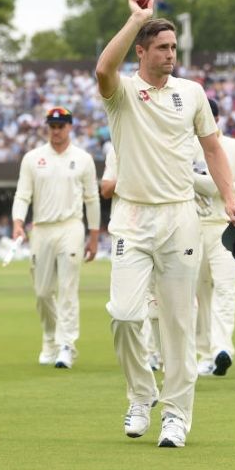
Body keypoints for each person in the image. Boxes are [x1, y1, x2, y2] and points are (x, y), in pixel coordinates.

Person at [95, 0, 235, 448]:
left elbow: (214, 148)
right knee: (123, 315)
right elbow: (103, 69)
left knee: (179, 323)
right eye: (161, 47)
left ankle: (177, 415)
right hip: (132, 216)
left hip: (180, 217)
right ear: (141, 51)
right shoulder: (121, 93)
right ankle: (141, 395)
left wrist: (229, 199)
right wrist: (136, 18)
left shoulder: (192, 93)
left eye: (173, 47)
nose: (170, 54)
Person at [11, 107, 100, 370]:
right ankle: (50, 339)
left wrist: (94, 236)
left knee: (68, 288)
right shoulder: (33, 158)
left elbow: (92, 198)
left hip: (71, 227)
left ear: (70, 127)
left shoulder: (83, 159)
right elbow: (22, 195)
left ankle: (66, 345)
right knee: (42, 292)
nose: (56, 131)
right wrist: (17, 223)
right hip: (41, 229)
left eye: (61, 126)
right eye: (52, 126)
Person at [194, 98, 235, 377]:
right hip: (192, 227)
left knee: (225, 288)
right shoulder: (185, 146)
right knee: (200, 293)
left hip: (226, 226)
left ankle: (221, 349)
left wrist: (206, 182)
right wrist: (217, 185)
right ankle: (204, 352)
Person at [100, 146, 162, 372]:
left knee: (161, 300)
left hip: (163, 229)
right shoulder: (117, 149)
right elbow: (106, 189)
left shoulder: (162, 142)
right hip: (128, 230)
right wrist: (131, 177)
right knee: (130, 307)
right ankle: (146, 356)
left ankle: (160, 355)